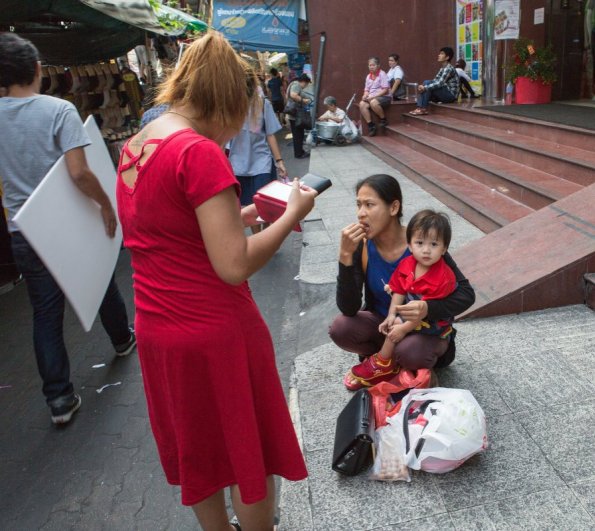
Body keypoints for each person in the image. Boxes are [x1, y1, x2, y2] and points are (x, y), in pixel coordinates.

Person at [116, 32, 316, 530]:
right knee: (247, 453)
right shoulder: (197, 151)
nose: (235, 131)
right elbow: (233, 265)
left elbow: (172, 230)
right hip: (215, 329)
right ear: (225, 100)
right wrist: (290, 216)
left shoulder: (137, 146)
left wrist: (245, 214)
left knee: (199, 452)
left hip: (160, 331)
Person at [0, 32, 136, 425]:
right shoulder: (58, 111)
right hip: (66, 222)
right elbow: (79, 172)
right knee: (98, 274)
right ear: (38, 69)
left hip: (22, 232)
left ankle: (59, 400)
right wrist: (106, 202)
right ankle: (122, 338)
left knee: (45, 311)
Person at [327, 174, 475, 390]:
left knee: (410, 351)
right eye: (358, 205)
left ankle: (405, 363)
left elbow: (466, 294)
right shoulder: (364, 246)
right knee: (340, 328)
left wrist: (427, 308)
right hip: (385, 325)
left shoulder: (422, 245)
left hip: (424, 331)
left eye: (369, 205)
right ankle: (386, 362)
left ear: (393, 207)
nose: (361, 214)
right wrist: (345, 258)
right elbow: (348, 308)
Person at [347, 209, 456, 389]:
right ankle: (394, 362)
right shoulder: (408, 264)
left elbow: (421, 313)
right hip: (411, 315)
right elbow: (398, 290)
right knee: (394, 322)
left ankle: (382, 363)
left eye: (434, 244)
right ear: (410, 245)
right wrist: (391, 314)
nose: (426, 250)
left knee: (397, 327)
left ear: (444, 248)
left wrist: (402, 328)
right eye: (420, 243)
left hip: (433, 324)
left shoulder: (443, 277)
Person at [228, 88, 288, 232]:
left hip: (262, 162)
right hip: (238, 165)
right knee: (250, 205)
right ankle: (258, 237)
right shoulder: (227, 104)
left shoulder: (262, 104)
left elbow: (270, 134)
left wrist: (279, 161)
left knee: (265, 203)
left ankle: (266, 235)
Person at [410, 47, 460, 116]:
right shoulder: (442, 68)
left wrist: (425, 87)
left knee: (426, 84)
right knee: (426, 83)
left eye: (442, 54)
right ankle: (420, 108)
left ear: (447, 57)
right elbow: (435, 81)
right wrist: (424, 87)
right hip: (445, 93)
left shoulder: (449, 69)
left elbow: (440, 83)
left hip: (451, 96)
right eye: (439, 53)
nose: (439, 55)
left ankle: (422, 108)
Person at [359, 57, 391, 137]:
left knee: (373, 103)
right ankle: (371, 126)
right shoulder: (368, 76)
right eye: (370, 65)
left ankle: (383, 119)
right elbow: (366, 89)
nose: (371, 67)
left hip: (384, 97)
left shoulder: (382, 74)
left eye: (373, 65)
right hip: (371, 97)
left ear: (378, 66)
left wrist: (373, 97)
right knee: (362, 104)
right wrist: (365, 95)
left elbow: (385, 90)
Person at [287, 73, 312, 159]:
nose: (306, 86)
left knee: (299, 134)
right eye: (307, 84)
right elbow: (293, 95)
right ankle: (299, 154)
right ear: (304, 82)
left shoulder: (294, 84)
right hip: (295, 115)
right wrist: (303, 100)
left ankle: (300, 152)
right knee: (298, 135)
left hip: (294, 115)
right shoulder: (296, 84)